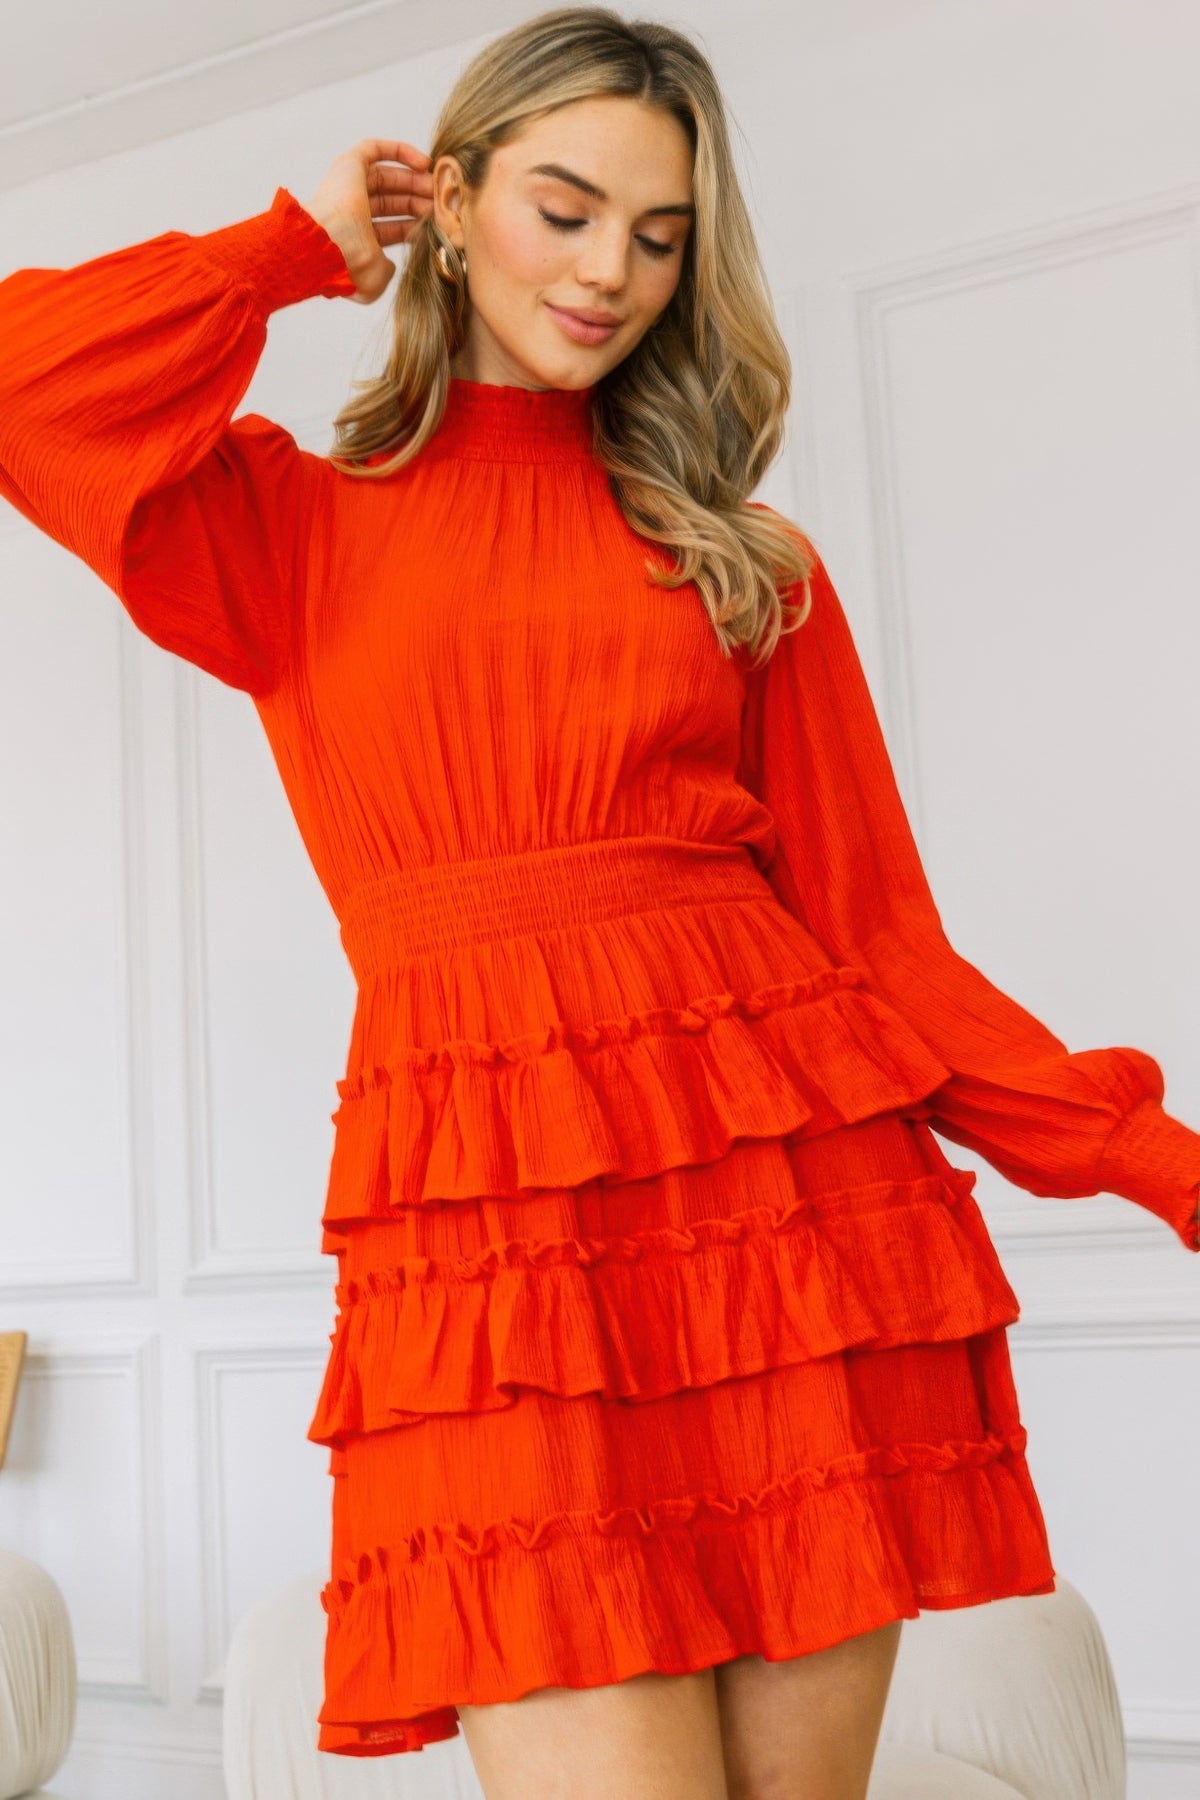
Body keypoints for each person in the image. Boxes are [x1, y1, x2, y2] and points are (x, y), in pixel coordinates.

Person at [1, 7, 1197, 1798]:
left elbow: (882, 953)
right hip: (499, 1257)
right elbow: (25, 384)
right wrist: (286, 247)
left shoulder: (746, 567)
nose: (608, 273)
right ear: (450, 202)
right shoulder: (281, 529)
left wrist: (1169, 1169)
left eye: (658, 237)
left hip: (787, 1241)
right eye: (564, 211)